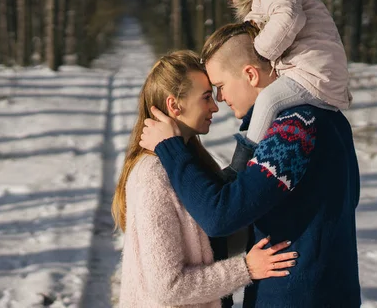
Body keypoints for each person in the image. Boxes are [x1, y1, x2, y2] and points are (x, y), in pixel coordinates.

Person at [139, 23, 362, 307]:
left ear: (250, 74)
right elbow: (349, 199)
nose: (220, 100)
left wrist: (170, 148)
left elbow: (220, 217)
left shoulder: (294, 129)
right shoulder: (330, 118)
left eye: (219, 87)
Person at [112, 50, 297, 308]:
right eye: (207, 97)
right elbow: (169, 286)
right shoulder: (152, 176)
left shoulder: (188, 163)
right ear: (174, 105)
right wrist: (245, 269)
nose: (215, 106)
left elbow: (210, 243)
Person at [212, 0, 352, 144]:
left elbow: (290, 18)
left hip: (314, 71)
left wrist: (260, 51)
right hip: (316, 68)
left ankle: (247, 159)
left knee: (268, 100)